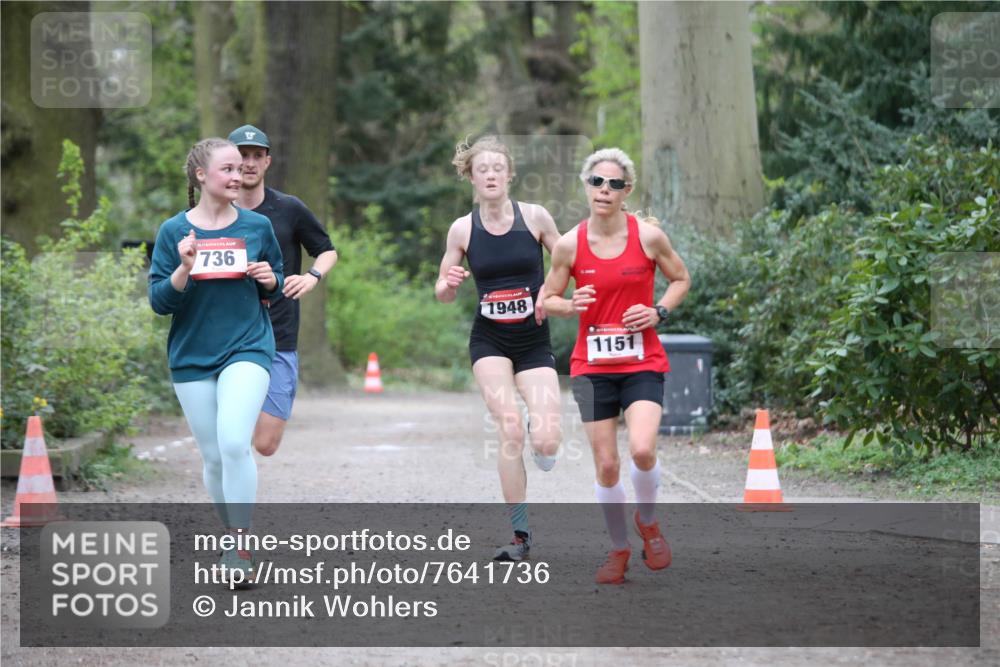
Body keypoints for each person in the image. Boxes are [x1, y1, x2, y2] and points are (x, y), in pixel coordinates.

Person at [543, 147, 691, 584]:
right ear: (586, 187)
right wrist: (570, 305)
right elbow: (545, 299)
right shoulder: (570, 243)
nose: (604, 190)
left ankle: (648, 523)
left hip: (641, 359)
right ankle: (619, 549)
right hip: (591, 365)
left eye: (614, 184)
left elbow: (681, 279)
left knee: (642, 449)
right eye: (596, 182)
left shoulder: (647, 237)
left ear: (627, 191)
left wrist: (659, 311)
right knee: (606, 465)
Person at [148, 137, 284, 577]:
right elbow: (159, 302)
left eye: (240, 167)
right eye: (227, 168)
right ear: (201, 176)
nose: (238, 174)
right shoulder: (173, 232)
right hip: (191, 355)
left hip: (247, 346)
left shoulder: (256, 227)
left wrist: (268, 279)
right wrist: (184, 267)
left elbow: (276, 280)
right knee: (212, 457)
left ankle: (241, 548)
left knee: (232, 443)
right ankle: (232, 540)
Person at [435, 136, 563, 561]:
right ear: (470, 176)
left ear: (510, 175)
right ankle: (521, 536)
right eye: (481, 168)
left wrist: (548, 291)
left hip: (533, 341)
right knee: (509, 427)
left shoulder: (536, 217)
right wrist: (449, 284)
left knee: (545, 442)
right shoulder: (462, 228)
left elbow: (566, 266)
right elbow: (442, 291)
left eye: (497, 167)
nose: (490, 174)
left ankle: (540, 439)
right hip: (489, 341)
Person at [227, 125, 338, 457]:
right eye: (242, 156)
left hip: (279, 333)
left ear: (267, 162)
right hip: (229, 337)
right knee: (230, 439)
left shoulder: (289, 209)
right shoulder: (217, 212)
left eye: (256, 156)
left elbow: (327, 249)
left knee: (265, 444)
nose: (249, 163)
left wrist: (312, 276)